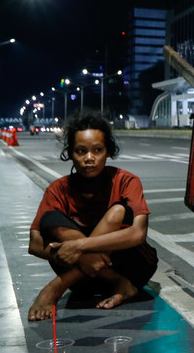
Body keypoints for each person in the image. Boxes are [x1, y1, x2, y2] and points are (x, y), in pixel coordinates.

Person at [27, 112, 158, 321]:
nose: (89, 158)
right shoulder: (58, 189)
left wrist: (78, 247)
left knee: (117, 213)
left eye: (97, 150)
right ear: (70, 153)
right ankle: (118, 284)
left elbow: (138, 234)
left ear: (108, 152)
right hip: (86, 282)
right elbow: (34, 243)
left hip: (131, 266)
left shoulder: (126, 181)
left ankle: (55, 288)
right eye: (81, 151)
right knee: (50, 219)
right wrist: (75, 254)